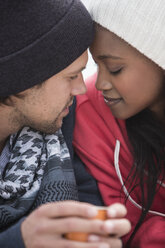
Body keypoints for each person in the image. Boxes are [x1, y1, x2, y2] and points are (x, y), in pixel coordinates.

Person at [0, 0, 131, 247]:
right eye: (71, 76)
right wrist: (19, 241)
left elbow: (87, 200)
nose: (82, 88)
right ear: (21, 83)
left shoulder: (56, 130)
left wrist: (95, 234)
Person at [73, 0, 165, 247]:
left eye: (115, 68)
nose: (101, 82)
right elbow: (120, 223)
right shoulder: (87, 111)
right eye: (97, 64)